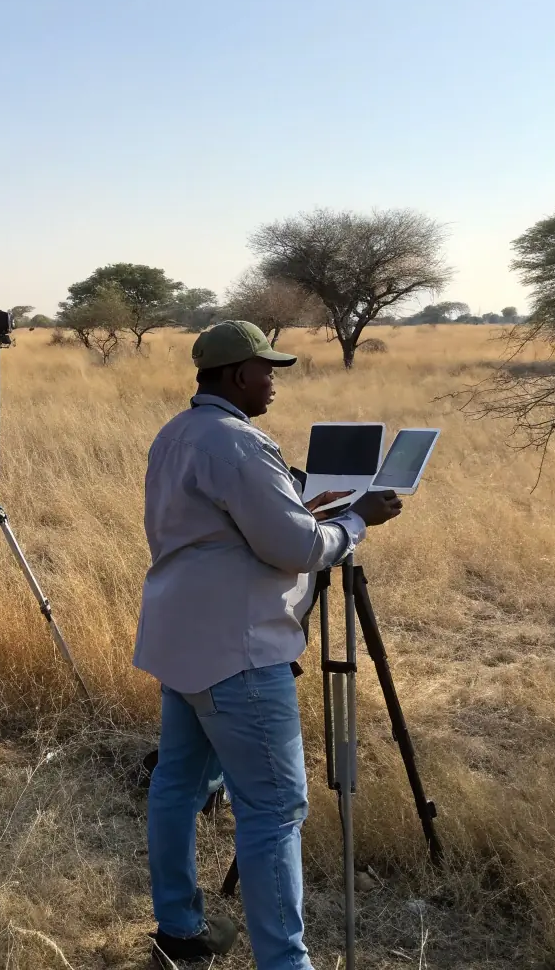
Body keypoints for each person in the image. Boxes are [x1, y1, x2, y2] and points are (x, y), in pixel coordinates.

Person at [134, 321, 402, 968]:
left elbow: (217, 530)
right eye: (265, 369)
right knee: (276, 806)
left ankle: (177, 928)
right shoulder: (239, 444)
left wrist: (302, 512)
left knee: (174, 785)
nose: (272, 380)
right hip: (240, 652)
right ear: (234, 375)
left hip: (181, 640)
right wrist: (353, 523)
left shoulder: (175, 434)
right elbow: (296, 550)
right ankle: (284, 962)